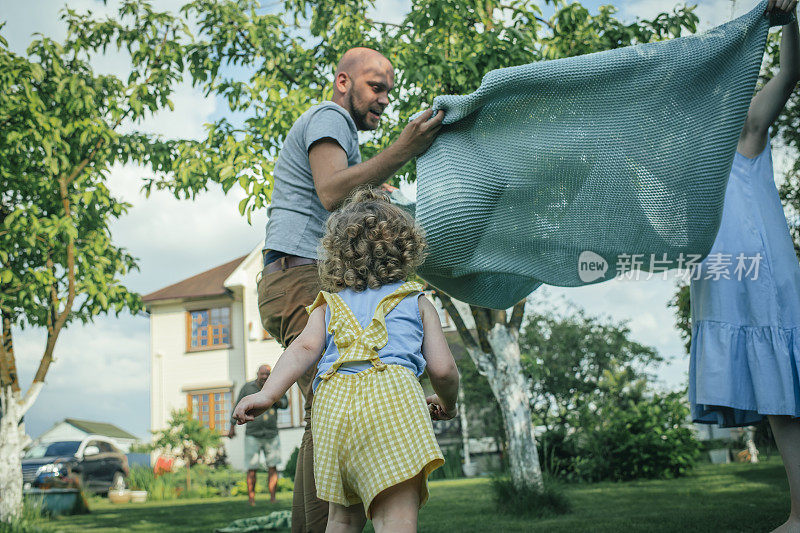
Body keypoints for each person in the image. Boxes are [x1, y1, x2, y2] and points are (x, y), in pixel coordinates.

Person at [257, 46, 444, 532]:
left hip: (292, 280)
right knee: (335, 401)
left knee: (331, 406)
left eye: (388, 90)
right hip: (301, 277)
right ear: (344, 82)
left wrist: (372, 192)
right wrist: (405, 149)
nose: (383, 98)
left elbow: (343, 192)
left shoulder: (343, 137)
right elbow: (330, 191)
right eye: (375, 87)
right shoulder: (330, 117)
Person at [236, 188, 460, 533]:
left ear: (336, 253)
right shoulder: (416, 302)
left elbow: (302, 349)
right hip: (392, 403)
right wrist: (448, 403)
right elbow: (443, 370)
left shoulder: (328, 304)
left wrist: (268, 395)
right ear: (407, 250)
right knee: (395, 519)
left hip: (333, 406)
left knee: (341, 519)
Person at [689, 3, 799, 532]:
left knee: (786, 394)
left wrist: (788, 21)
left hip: (761, 279)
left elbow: (790, 71)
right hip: (721, 286)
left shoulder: (746, 132)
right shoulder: (685, 157)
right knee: (778, 400)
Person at [229, 365, 288, 505]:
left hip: (271, 434)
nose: (265, 377)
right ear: (257, 374)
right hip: (252, 434)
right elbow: (238, 405)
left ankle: (273, 498)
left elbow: (285, 404)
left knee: (272, 466)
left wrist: (273, 397)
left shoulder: (276, 385)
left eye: (267, 374)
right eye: (262, 374)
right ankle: (251, 499)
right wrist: (232, 427)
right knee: (252, 467)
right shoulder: (247, 388)